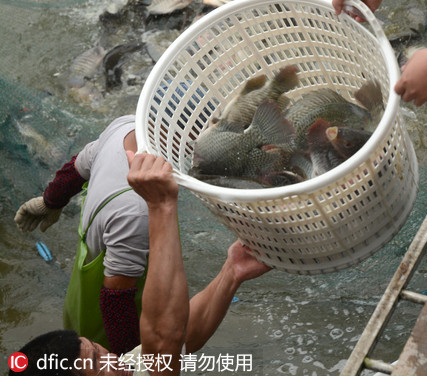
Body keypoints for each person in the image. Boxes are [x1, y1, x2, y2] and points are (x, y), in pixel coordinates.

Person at [11, 151, 271, 376]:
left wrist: (232, 272)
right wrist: (161, 205)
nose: (114, 358)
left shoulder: (123, 367)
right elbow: (163, 339)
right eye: (96, 363)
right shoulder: (131, 218)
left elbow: (181, 337)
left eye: (98, 350)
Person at [14, 116, 149, 355]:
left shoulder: (126, 126)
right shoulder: (136, 211)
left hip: (79, 308)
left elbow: (81, 163)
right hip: (107, 337)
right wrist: (127, 364)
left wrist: (50, 201)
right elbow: (116, 299)